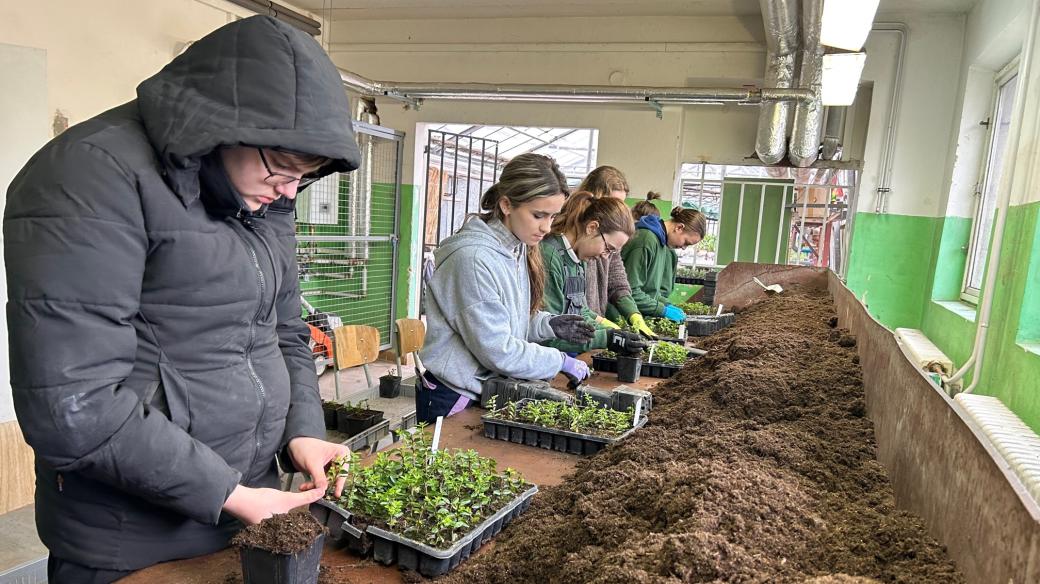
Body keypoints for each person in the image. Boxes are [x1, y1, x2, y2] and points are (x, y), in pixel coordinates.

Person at [4, 16, 361, 582]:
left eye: (307, 176)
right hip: (133, 537)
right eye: (284, 170)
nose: (290, 190)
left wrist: (303, 430)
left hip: (251, 504)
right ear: (221, 127)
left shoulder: (262, 192)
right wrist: (225, 491)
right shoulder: (87, 177)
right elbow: (73, 404)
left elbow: (285, 330)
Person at [417, 153, 595, 423]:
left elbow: (506, 320)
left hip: (486, 390)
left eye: (553, 216)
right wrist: (559, 360)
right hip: (455, 397)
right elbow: (498, 349)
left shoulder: (516, 247)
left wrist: (547, 325)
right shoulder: (474, 259)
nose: (547, 227)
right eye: (538, 215)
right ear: (506, 205)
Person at [540, 192, 646, 354]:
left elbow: (580, 311)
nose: (605, 257)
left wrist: (612, 331)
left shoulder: (578, 260)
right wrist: (606, 338)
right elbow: (546, 334)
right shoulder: (550, 257)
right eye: (608, 248)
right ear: (592, 228)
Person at [577, 166, 656, 337]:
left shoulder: (608, 238)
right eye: (611, 202)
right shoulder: (573, 241)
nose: (615, 210)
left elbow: (616, 277)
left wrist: (633, 314)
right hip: (574, 334)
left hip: (591, 330)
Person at [620, 207, 708, 322]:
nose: (683, 248)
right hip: (621, 316)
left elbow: (650, 291)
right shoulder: (646, 240)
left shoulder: (661, 244)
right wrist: (662, 310)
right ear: (679, 227)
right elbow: (629, 291)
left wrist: (666, 304)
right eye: (686, 242)